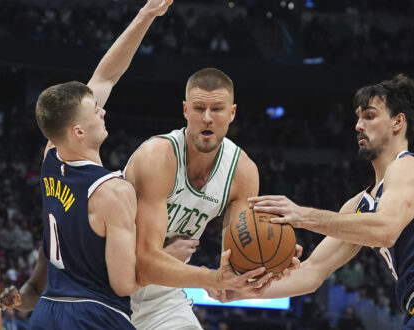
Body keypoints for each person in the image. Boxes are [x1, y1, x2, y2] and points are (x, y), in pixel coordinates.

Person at [213, 74, 414, 328]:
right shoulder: (360, 204)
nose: (358, 125)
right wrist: (239, 291)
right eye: (358, 118)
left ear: (398, 122)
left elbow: (385, 230)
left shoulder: (412, 168)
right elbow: (311, 273)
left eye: (369, 116)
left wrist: (303, 216)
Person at [0, 0, 174, 328]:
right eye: (96, 111)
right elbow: (125, 284)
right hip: (95, 315)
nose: (103, 111)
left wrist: (146, 15)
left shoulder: (52, 155)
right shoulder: (113, 191)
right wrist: (171, 257)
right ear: (78, 131)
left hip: (48, 311)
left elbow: (106, 76)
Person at [122, 67, 302, 329]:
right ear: (185, 111)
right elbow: (145, 263)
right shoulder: (158, 157)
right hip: (110, 285)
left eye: (217, 109)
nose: (207, 118)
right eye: (198, 109)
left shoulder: (242, 172)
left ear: (232, 113)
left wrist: (267, 268)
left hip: (163, 297)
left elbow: (237, 262)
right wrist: (210, 278)